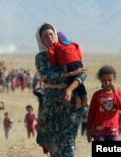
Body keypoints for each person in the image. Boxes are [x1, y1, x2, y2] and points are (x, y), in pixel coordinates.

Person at [35, 23, 87, 156]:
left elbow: (82, 72)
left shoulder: (66, 49)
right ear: (41, 39)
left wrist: (70, 89)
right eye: (45, 36)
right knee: (54, 146)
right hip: (51, 106)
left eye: (51, 34)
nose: (49, 38)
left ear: (55, 34)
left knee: (69, 144)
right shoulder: (41, 57)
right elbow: (47, 77)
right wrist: (69, 74)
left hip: (69, 105)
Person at [47, 32, 88, 109]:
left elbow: (50, 52)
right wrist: (79, 60)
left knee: (70, 80)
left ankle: (77, 98)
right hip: (78, 63)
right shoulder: (73, 43)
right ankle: (84, 97)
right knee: (79, 82)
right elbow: (78, 49)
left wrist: (55, 62)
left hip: (68, 65)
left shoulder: (55, 45)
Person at [86, 65, 121, 142]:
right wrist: (88, 130)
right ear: (100, 80)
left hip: (113, 130)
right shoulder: (97, 95)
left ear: (114, 79)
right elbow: (91, 113)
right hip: (98, 131)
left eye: (110, 80)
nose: (107, 83)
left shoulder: (119, 93)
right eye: (104, 80)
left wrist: (115, 93)